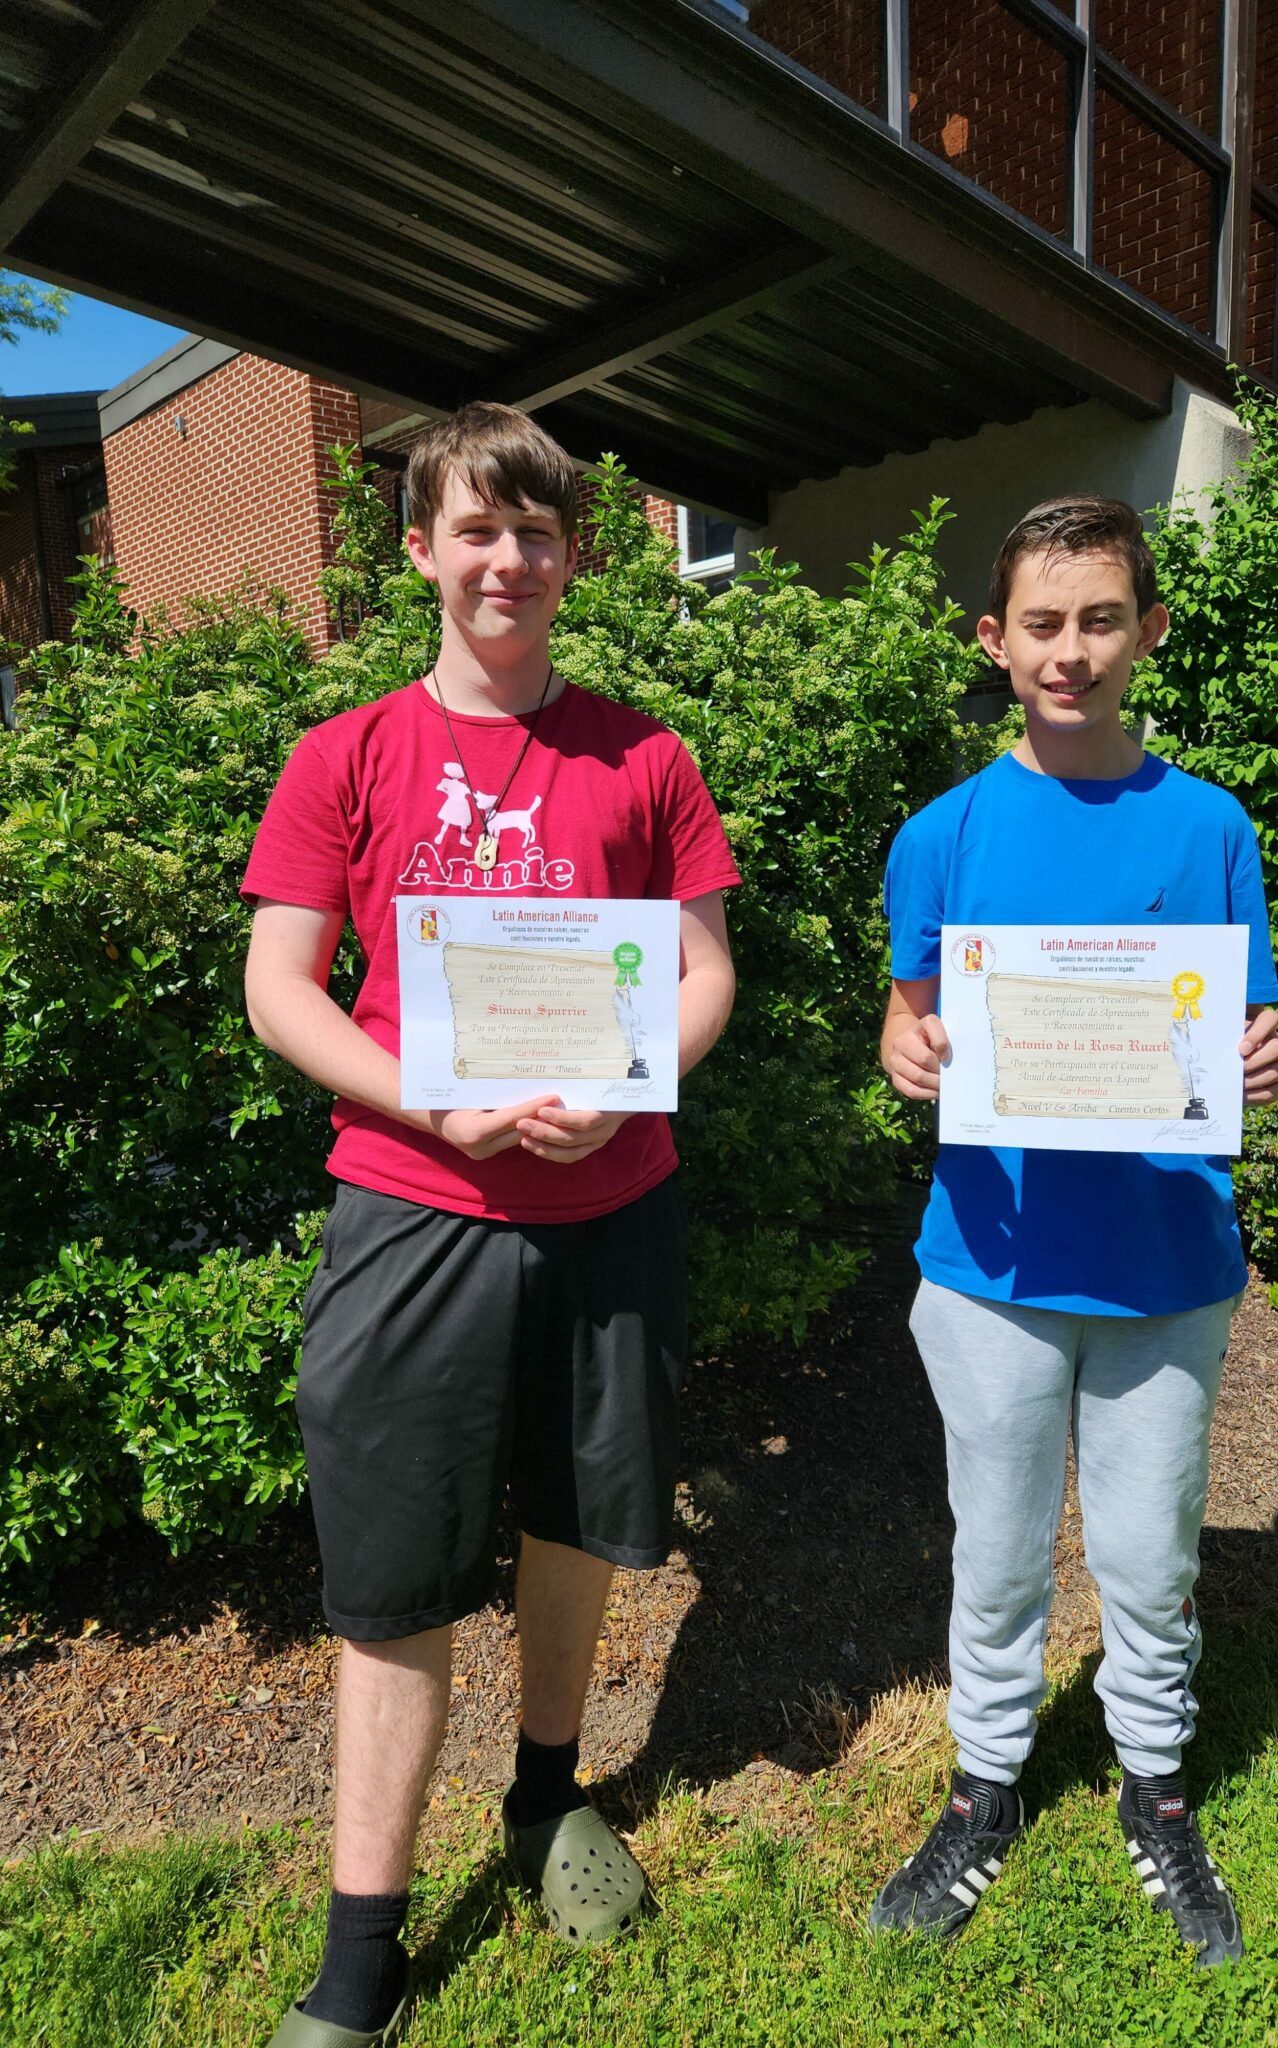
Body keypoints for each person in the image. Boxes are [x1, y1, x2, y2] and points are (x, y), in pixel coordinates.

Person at [242, 403, 739, 2045]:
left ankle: (543, 1798)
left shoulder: (646, 755)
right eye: (476, 527)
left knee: (579, 1520)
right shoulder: (350, 754)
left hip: (611, 1203)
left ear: (575, 555)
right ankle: (362, 1950)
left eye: (536, 530)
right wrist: (420, 1100)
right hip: (415, 1204)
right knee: (393, 1576)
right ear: (420, 551)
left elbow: (704, 977)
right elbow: (278, 990)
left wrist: (630, 1086)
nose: (507, 557)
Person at [871, 496, 1278, 1966]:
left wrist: (1260, 1058)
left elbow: (1246, 1023)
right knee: (993, 1554)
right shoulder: (942, 832)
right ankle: (986, 1783)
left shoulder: (1210, 824)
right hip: (989, 1263)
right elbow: (909, 1014)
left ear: (1148, 632)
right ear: (995, 644)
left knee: (1147, 1551)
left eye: (1101, 619)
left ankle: (1159, 1793)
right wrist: (904, 1052)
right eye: (1041, 625)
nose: (1071, 652)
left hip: (1165, 1262)